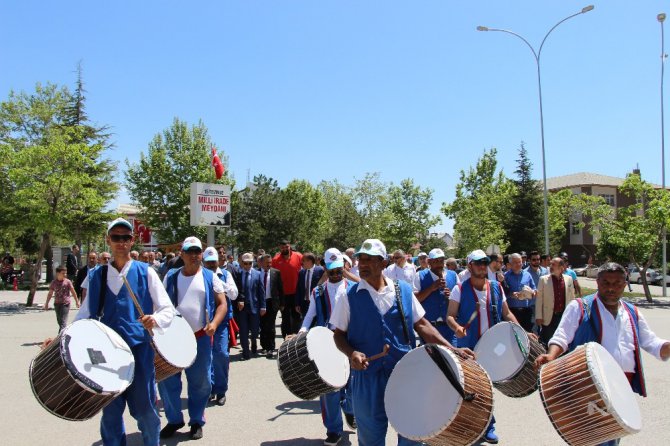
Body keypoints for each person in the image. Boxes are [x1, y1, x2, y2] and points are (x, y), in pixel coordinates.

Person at [330, 239, 475, 446]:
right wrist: (351, 353)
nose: (362, 264)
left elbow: (423, 325)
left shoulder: (403, 291)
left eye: (368, 260)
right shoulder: (347, 296)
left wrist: (451, 348)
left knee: (413, 435)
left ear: (383, 263)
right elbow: (338, 335)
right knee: (370, 439)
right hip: (367, 379)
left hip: (405, 375)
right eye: (360, 259)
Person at [535, 262, 670, 446]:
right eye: (606, 282)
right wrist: (551, 356)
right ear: (597, 282)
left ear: (625, 284)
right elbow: (561, 337)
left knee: (611, 437)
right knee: (595, 439)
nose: (611, 288)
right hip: (590, 385)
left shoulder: (632, 312)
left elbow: (652, 343)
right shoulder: (580, 307)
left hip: (623, 387)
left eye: (617, 283)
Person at [73, 218, 175, 446]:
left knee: (146, 411)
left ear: (132, 241)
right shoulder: (96, 275)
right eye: (116, 237)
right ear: (108, 240)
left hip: (140, 351)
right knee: (110, 413)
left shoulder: (145, 272)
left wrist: (155, 319)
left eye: (126, 237)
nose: (121, 242)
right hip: (107, 355)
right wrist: (62, 339)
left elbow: (168, 309)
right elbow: (84, 315)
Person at [446, 249, 525, 444]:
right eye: (478, 263)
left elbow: (507, 314)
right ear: (470, 265)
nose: (482, 266)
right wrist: (456, 327)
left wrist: (521, 331)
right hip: (469, 347)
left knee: (487, 387)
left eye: (485, 262)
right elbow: (450, 316)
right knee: (472, 388)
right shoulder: (459, 289)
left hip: (492, 347)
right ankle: (473, 425)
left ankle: (488, 425)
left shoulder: (496, 287)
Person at [160, 237, 227, 440]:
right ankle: (174, 420)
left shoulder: (209, 276)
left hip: (200, 337)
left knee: (201, 381)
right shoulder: (171, 277)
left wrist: (214, 323)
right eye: (190, 251)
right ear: (182, 254)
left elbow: (222, 303)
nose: (194, 255)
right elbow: (161, 303)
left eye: (197, 251)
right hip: (174, 338)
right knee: (167, 380)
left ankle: (197, 420)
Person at [298, 248, 355, 445]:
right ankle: (333, 430)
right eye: (332, 271)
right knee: (328, 389)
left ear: (344, 267)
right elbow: (309, 315)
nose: (336, 274)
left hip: (350, 343)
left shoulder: (353, 288)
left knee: (353, 388)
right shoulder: (318, 291)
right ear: (325, 269)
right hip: (326, 345)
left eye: (339, 269)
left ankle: (350, 410)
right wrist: (302, 332)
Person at [202, 246, 238, 406]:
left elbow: (234, 294)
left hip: (221, 322)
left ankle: (221, 389)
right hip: (203, 322)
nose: (211, 265)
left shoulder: (226, 274)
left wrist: (218, 282)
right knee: (206, 357)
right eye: (208, 262)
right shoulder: (199, 275)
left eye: (213, 262)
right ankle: (209, 388)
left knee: (221, 354)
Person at [414, 248, 459, 343]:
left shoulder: (453, 275)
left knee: (453, 356)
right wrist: (431, 288)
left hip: (450, 329)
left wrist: (451, 297)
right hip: (430, 329)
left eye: (441, 260)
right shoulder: (419, 276)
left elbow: (461, 299)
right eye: (435, 261)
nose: (439, 264)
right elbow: (415, 300)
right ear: (429, 262)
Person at [535, 257, 576, 346]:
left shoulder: (568, 279)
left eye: (553, 264)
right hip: (549, 316)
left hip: (564, 316)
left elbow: (572, 297)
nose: (550, 266)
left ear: (561, 268)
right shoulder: (543, 279)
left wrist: (573, 314)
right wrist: (538, 316)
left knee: (562, 341)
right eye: (550, 264)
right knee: (548, 341)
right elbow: (539, 299)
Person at [235, 252, 267, 360]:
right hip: (242, 308)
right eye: (245, 263)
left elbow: (261, 291)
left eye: (249, 263)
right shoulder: (238, 274)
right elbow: (237, 291)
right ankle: (245, 352)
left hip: (255, 306)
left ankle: (253, 340)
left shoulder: (257, 274)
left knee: (254, 330)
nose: (247, 266)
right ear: (242, 263)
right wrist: (240, 300)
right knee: (243, 331)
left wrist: (263, 306)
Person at [272, 239, 303, 337]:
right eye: (282, 247)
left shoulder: (298, 256)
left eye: (287, 247)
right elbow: (273, 277)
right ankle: (286, 339)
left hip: (296, 293)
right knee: (285, 318)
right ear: (279, 248)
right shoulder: (275, 260)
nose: (285, 249)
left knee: (297, 317)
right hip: (283, 294)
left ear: (290, 246)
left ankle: (297, 338)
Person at [504, 253, 537, 332]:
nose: (518, 264)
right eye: (515, 262)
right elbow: (502, 293)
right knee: (514, 335)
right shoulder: (506, 276)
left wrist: (532, 293)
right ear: (510, 264)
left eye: (520, 262)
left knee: (528, 334)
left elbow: (534, 289)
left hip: (526, 311)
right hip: (512, 311)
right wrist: (511, 295)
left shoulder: (527, 275)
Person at [259, 254, 283, 358]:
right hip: (260, 302)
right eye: (266, 262)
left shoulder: (275, 272)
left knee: (271, 326)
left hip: (272, 303)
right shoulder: (257, 273)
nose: (269, 264)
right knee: (263, 325)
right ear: (261, 263)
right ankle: (264, 346)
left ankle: (271, 348)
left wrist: (282, 303)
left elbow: (280, 289)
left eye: (270, 262)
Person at [44, 265, 80, 332]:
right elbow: (50, 294)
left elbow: (73, 292)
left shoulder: (68, 282)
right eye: (63, 273)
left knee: (63, 322)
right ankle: (64, 334)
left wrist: (77, 301)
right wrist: (46, 303)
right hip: (57, 304)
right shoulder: (54, 282)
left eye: (65, 273)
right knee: (59, 321)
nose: (65, 275)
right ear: (58, 273)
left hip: (65, 304)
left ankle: (60, 337)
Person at [296, 252, 325, 316]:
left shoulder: (320, 271)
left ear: (310, 261)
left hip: (316, 302)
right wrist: (297, 304)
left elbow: (322, 287)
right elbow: (298, 288)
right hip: (304, 304)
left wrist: (321, 301)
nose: (302, 263)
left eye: (304, 261)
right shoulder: (301, 272)